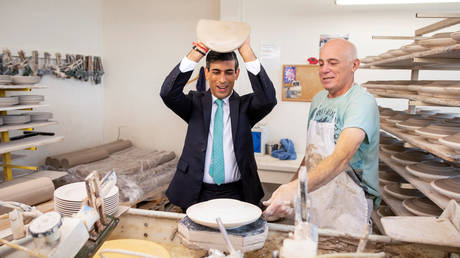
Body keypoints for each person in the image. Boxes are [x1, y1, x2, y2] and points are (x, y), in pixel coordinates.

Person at [263, 39, 380, 235]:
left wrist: (295, 189)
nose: (324, 69)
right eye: (321, 63)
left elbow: (340, 159)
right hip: (315, 194)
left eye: (333, 63)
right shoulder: (318, 99)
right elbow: (312, 155)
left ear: (354, 65)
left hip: (348, 203)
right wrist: (290, 189)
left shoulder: (361, 102)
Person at [160, 38, 277, 211]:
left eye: (228, 72)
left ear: (237, 74)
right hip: (196, 192)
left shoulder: (246, 107)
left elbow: (268, 98)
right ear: (207, 73)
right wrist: (199, 50)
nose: (222, 79)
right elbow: (168, 93)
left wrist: (245, 50)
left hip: (238, 192)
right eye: (216, 72)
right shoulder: (194, 104)